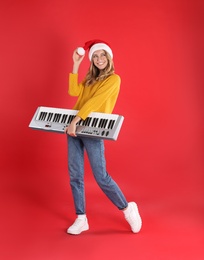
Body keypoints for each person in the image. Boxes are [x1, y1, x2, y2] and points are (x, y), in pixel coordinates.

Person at [65, 39, 142, 235]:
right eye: (96, 56)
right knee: (75, 175)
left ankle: (127, 208)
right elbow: (73, 91)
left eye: (103, 55)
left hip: (91, 128)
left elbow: (95, 101)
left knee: (101, 176)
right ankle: (81, 218)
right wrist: (75, 64)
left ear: (109, 58)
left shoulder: (113, 79)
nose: (99, 59)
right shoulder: (89, 80)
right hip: (73, 128)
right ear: (92, 61)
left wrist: (77, 120)